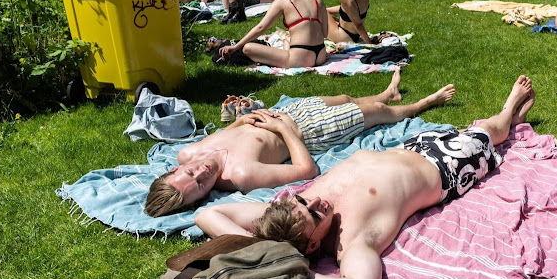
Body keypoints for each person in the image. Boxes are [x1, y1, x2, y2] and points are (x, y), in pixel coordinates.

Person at [194, 76, 536, 279]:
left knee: (463, 131)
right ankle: (509, 113)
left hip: (406, 148)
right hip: (442, 168)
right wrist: (298, 272)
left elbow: (207, 214)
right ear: (311, 246)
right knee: (485, 133)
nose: (316, 201)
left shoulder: (284, 218)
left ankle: (511, 123)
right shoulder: (352, 242)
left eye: (302, 200)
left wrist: (262, 248)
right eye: (314, 214)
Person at [145, 70, 456, 217]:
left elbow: (229, 132)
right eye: (201, 185)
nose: (203, 173)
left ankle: (388, 93)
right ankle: (423, 104)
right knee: (377, 113)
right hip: (309, 130)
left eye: (191, 174)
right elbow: (306, 170)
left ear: (175, 170)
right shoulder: (240, 175)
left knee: (345, 98)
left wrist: (245, 120)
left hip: (290, 111)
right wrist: (283, 129)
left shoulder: (189, 151)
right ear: (204, 196)